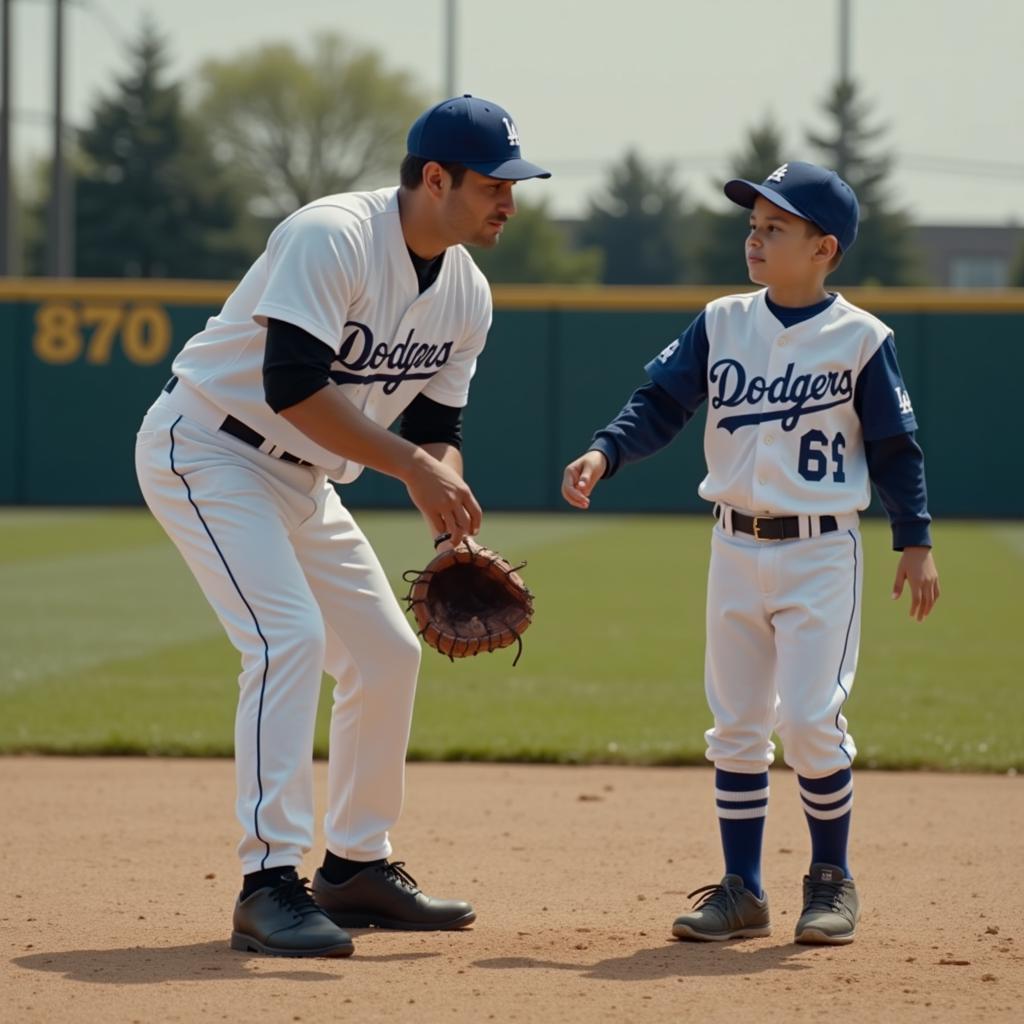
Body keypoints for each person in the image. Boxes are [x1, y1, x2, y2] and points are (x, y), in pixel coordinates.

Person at [135, 95, 549, 958]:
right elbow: (291, 386)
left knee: (385, 654)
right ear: (434, 178)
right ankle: (267, 882)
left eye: (514, 183)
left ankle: (356, 864)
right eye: (493, 183)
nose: (509, 199)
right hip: (210, 447)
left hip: (307, 476)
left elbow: (440, 429)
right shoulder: (333, 236)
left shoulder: (466, 292)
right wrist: (411, 467)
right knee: (285, 639)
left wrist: (448, 526)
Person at [561, 161, 939, 946]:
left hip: (819, 550)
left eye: (776, 228)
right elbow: (661, 404)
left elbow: (898, 448)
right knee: (735, 725)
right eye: (753, 225)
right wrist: (606, 451)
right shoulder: (723, 320)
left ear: (824, 248)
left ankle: (831, 879)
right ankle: (742, 891)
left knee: (807, 721)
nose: (755, 239)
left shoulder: (863, 339)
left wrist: (915, 539)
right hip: (733, 545)